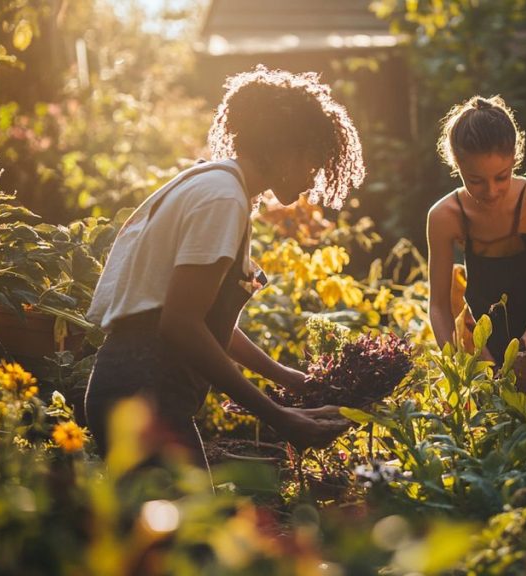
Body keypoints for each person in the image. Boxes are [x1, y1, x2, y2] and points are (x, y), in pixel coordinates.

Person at [84, 66, 365, 471]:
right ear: (284, 148)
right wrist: (278, 416)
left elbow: (198, 316)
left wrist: (288, 377)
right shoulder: (222, 199)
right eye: (312, 161)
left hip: (139, 385)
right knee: (182, 528)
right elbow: (180, 325)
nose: (314, 178)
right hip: (145, 392)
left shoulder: (215, 186)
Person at [427, 96, 526, 364]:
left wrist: (521, 355)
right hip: (489, 345)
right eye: (476, 180)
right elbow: (438, 307)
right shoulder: (444, 217)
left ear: (515, 159)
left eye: (501, 177)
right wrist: (465, 363)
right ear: (457, 165)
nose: (491, 191)